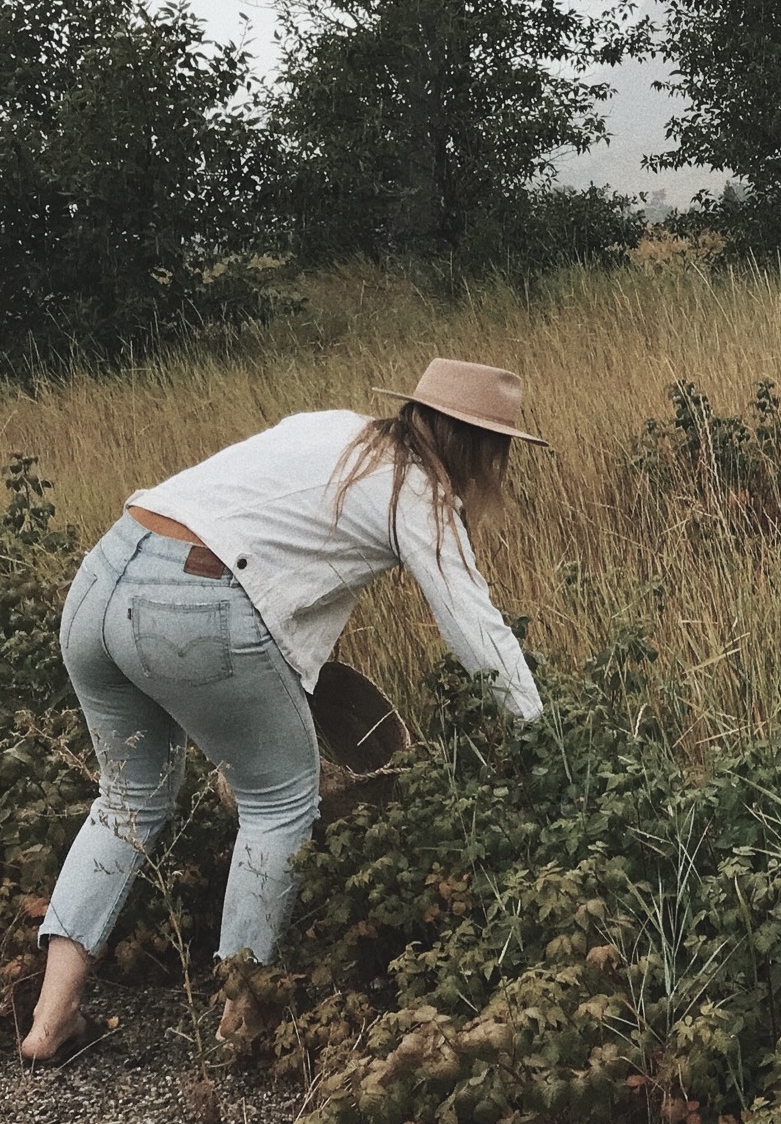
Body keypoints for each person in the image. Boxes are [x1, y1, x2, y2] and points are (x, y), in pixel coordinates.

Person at [17, 359, 548, 1065]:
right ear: (484, 450)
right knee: (280, 802)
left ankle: (51, 1020)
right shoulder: (416, 493)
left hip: (102, 576)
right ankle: (243, 1015)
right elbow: (477, 631)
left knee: (125, 800)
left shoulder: (334, 427)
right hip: (190, 602)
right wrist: (546, 741)